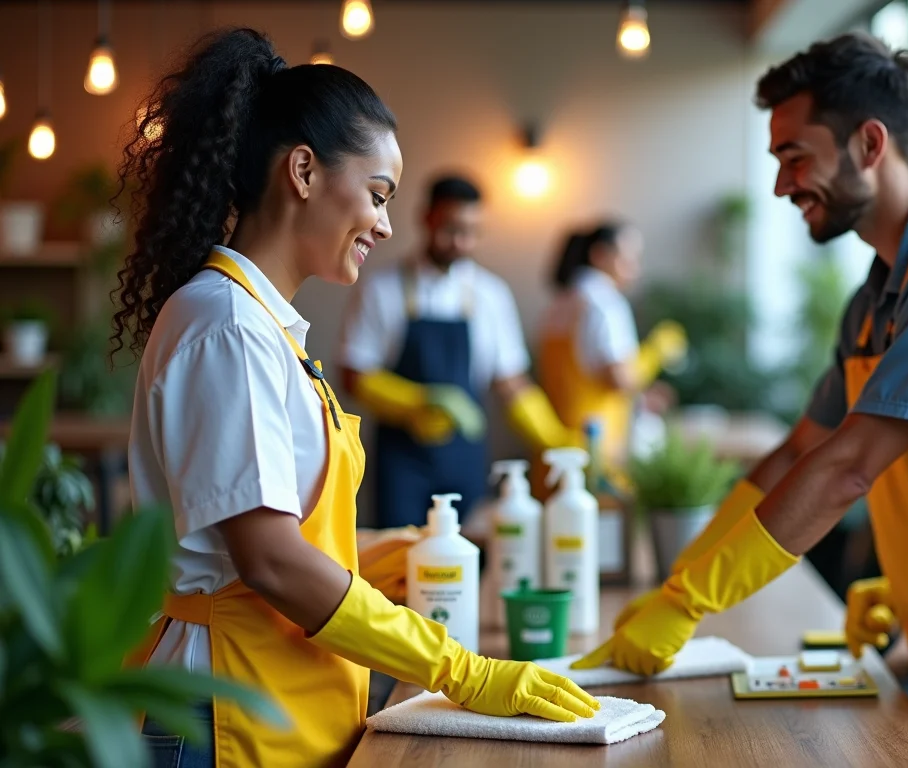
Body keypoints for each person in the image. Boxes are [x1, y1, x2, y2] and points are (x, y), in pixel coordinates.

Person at [573, 32, 908, 767]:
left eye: (795, 157)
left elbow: (848, 467)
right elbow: (801, 450)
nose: (780, 185)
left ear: (870, 143)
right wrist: (678, 585)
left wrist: (692, 603)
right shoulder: (874, 298)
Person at [119, 29, 597, 768]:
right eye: (377, 196)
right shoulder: (227, 325)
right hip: (219, 715)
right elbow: (269, 562)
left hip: (274, 700)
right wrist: (460, 671)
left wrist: (387, 556)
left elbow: (271, 535)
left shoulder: (260, 324)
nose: (384, 223)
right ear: (303, 171)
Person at [338, 174, 579, 528]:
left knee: (468, 558)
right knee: (396, 561)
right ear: (426, 218)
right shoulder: (381, 288)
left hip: (465, 460)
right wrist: (417, 404)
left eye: (471, 231)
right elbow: (352, 374)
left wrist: (554, 438)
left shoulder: (491, 295)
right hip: (401, 462)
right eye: (450, 229)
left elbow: (510, 382)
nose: (461, 242)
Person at [537, 221, 687, 469]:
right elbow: (618, 377)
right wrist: (654, 355)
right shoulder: (606, 303)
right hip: (597, 444)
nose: (636, 269)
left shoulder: (560, 302)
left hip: (553, 447)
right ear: (600, 255)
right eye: (629, 258)